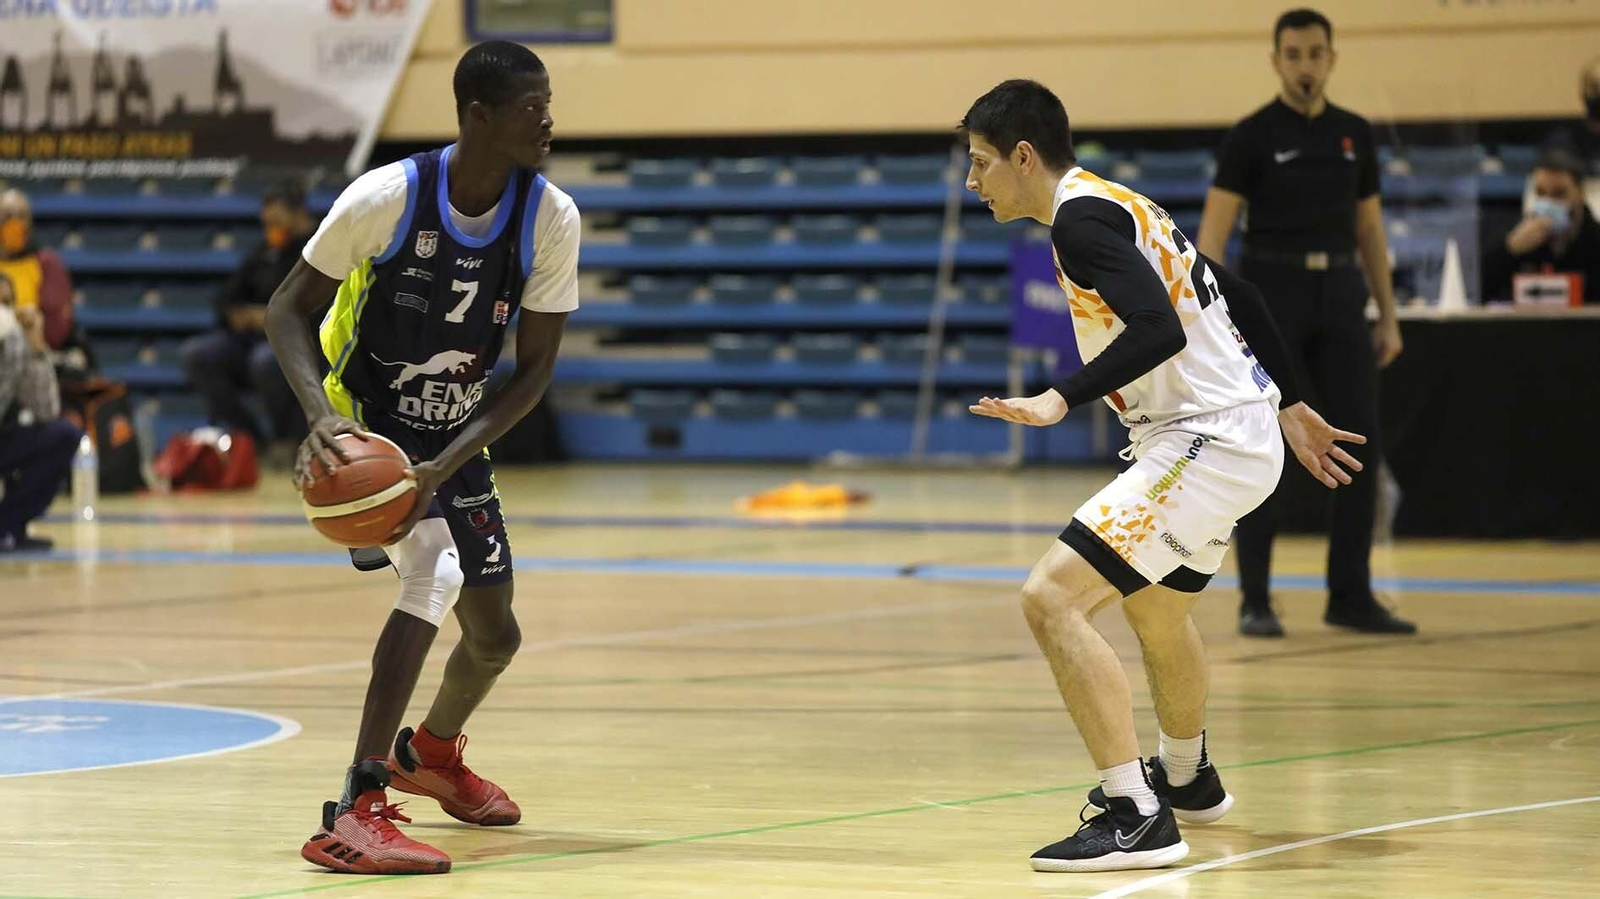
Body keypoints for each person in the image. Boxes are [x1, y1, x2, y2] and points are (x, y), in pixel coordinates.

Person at [962, 79, 1365, 873]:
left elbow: (1156, 328)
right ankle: (1186, 776)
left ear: (1022, 155)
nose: (972, 182)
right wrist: (1288, 400)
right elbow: (1235, 291)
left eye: (979, 164)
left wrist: (1057, 397)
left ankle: (1133, 813)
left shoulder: (1081, 223)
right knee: (1155, 612)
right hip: (1231, 436)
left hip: (1204, 440)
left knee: (1050, 597)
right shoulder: (1118, 204)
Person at [264, 41, 577, 875]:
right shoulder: (388, 195)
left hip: (457, 432)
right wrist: (321, 420)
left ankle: (429, 753)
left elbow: (536, 371)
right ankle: (355, 807)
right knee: (433, 568)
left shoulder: (551, 217)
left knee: (495, 632)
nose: (547, 119)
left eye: (549, 103)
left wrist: (450, 460)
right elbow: (287, 311)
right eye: (529, 106)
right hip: (368, 419)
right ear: (478, 116)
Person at [1195, 8, 1414, 637]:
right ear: (1276, 61)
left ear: (1331, 59)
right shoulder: (1250, 137)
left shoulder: (1355, 135)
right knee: (1265, 442)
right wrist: (1212, 322)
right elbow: (1212, 236)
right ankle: (1256, 600)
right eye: (1293, 54)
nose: (1305, 65)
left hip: (1342, 292)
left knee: (1357, 439)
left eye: (1316, 54)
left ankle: (1351, 594)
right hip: (1272, 293)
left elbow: (1370, 228)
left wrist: (1388, 315)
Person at [181, 182, 317, 463]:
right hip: (251, 340)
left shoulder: (318, 249)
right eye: (267, 223)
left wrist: (271, 318)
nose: (272, 229)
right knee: (198, 355)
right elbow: (228, 295)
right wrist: (236, 313)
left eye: (278, 221)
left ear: (299, 214)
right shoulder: (265, 250)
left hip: (300, 345)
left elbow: (323, 308)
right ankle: (251, 439)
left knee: (265, 361)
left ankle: (287, 439)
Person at [0, 272, 83, 553]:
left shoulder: (14, 342)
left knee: (63, 435)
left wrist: (36, 348)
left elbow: (47, 410)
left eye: (6, 304)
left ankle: (6, 525)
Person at [1484, 147, 1600, 304]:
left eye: (1559, 194)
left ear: (1580, 193)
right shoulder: (1516, 235)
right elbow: (1481, 291)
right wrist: (1509, 250)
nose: (1549, 202)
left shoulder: (1595, 238)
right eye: (1541, 193)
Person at [0, 188, 75, 351]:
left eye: (20, 216)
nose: (13, 223)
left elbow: (56, 333)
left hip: (35, 353)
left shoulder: (47, 263)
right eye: (6, 216)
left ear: (30, 223)